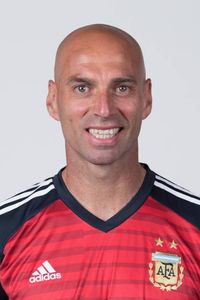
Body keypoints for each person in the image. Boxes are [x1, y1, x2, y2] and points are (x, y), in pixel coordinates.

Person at [0, 24, 199, 300]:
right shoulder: (7, 230)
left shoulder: (194, 226)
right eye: (82, 87)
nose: (104, 109)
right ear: (54, 100)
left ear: (147, 97)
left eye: (122, 87)